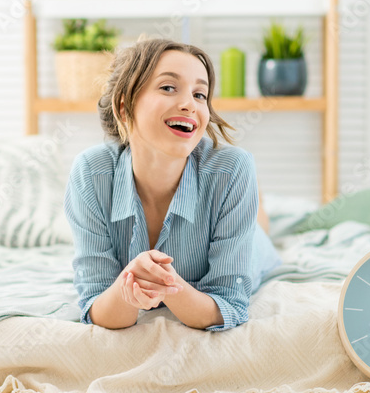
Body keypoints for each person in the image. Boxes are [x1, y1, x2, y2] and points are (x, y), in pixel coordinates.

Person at [63, 37, 283, 332]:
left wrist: (166, 285)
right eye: (168, 87)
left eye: (200, 94)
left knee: (259, 229)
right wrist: (131, 282)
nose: (189, 104)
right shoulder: (91, 172)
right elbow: (97, 308)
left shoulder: (234, 168)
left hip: (251, 241)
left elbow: (228, 306)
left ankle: (259, 209)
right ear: (125, 107)